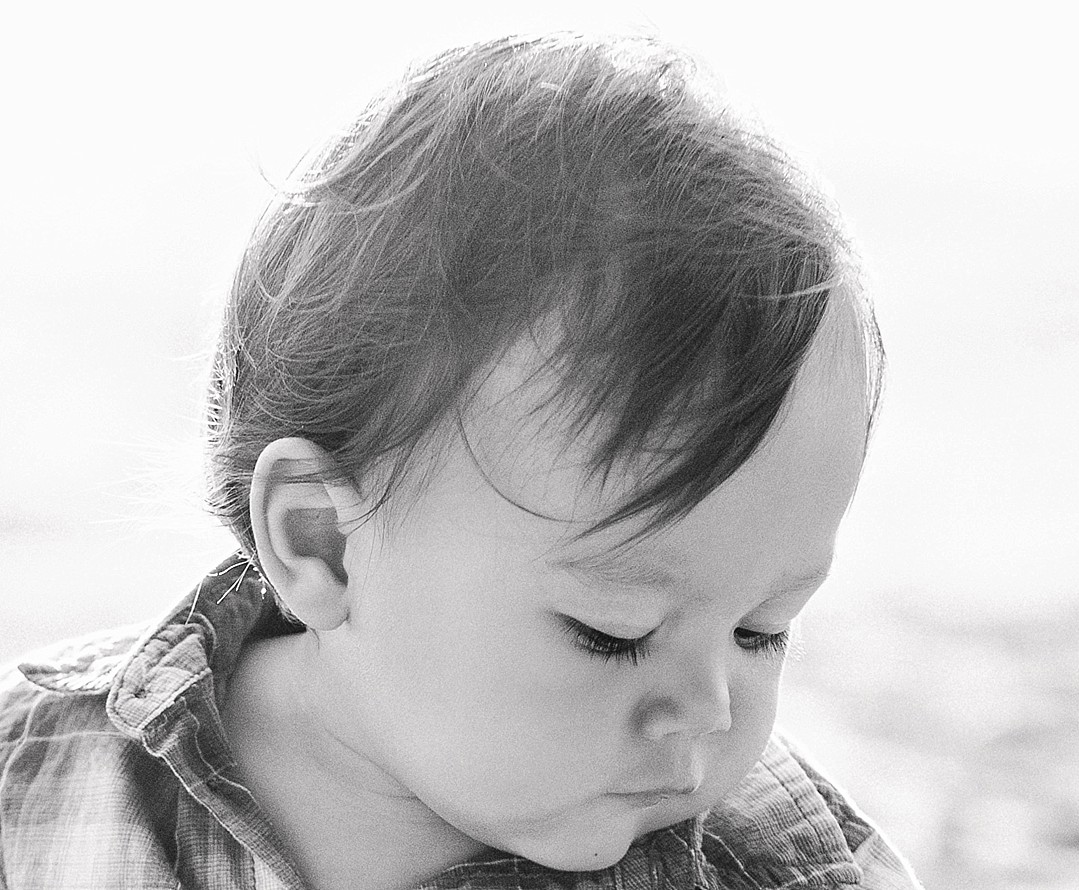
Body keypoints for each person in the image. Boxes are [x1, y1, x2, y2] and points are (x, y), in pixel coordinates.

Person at [0, 31, 921, 889]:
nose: (712, 711)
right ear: (322, 541)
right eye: (613, 631)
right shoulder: (33, 778)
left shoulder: (786, 870)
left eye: (762, 629)